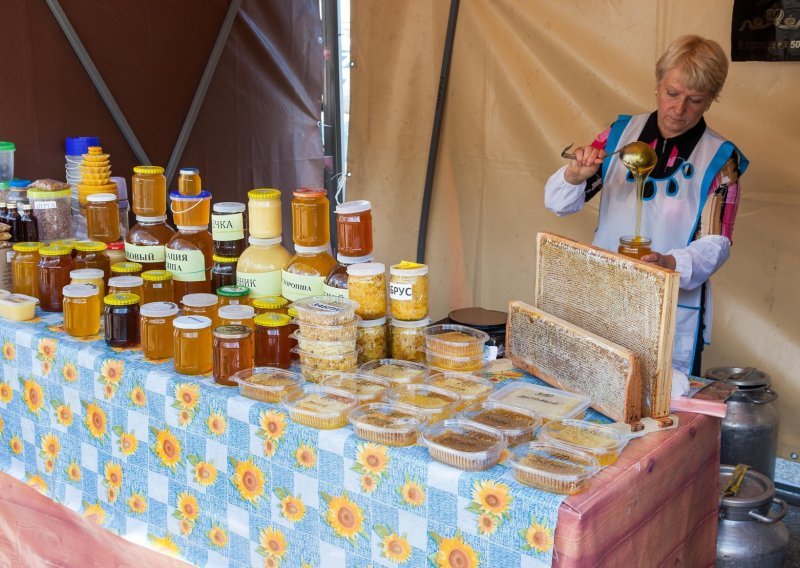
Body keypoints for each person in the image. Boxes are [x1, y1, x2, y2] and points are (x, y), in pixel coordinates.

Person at [544, 35, 748, 376]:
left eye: (695, 100)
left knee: (662, 413)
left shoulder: (721, 160)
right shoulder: (620, 136)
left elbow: (717, 242)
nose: (678, 109)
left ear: (711, 100)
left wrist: (670, 263)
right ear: (658, 85)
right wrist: (575, 175)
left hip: (669, 306)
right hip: (605, 296)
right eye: (672, 93)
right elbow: (559, 205)